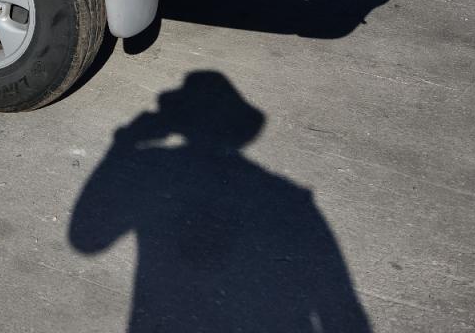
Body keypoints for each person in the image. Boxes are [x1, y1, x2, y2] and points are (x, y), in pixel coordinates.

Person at [69, 71, 371, 332]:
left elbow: (86, 238)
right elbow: (342, 312)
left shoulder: (152, 169)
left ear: (178, 121)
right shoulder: (291, 200)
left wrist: (124, 144)